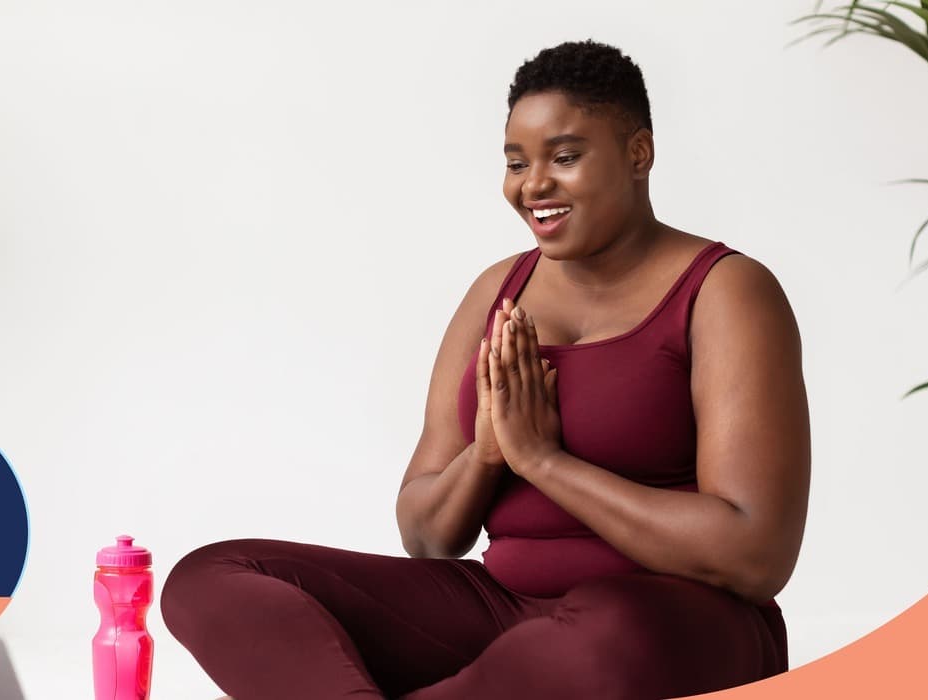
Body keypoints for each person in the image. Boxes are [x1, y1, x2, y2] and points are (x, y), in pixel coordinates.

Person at [161, 39, 811, 700]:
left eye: (565, 157)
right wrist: (489, 455)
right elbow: (426, 533)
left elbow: (754, 555)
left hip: (671, 623)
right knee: (213, 575)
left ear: (638, 153)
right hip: (504, 614)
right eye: (515, 162)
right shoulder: (497, 291)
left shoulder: (724, 292)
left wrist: (544, 461)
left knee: (600, 638)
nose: (533, 185)